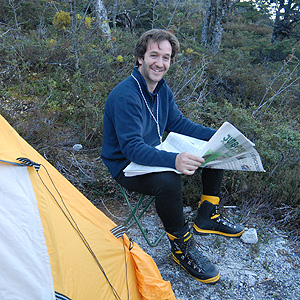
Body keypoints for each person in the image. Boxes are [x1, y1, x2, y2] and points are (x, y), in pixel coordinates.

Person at [101, 29, 244, 284]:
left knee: (211, 148)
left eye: (165, 57)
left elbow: (177, 122)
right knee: (168, 180)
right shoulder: (126, 95)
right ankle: (182, 246)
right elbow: (132, 148)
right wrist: (174, 161)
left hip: (153, 152)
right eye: (153, 55)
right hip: (126, 165)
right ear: (140, 58)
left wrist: (220, 135)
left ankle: (207, 215)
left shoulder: (162, 90)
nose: (160, 63)